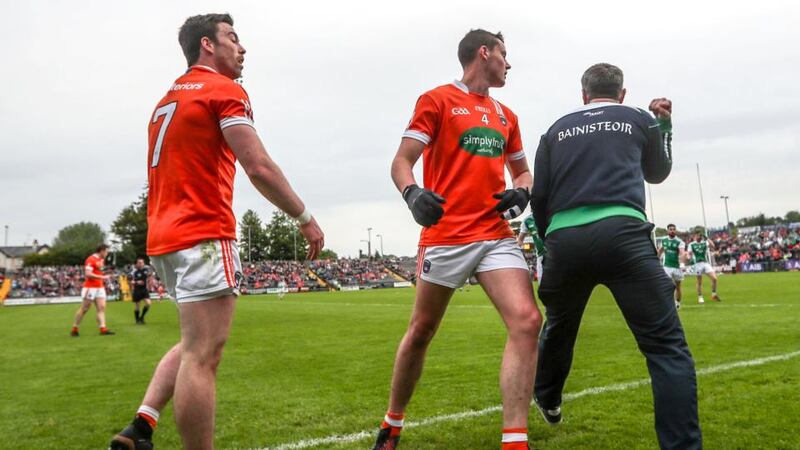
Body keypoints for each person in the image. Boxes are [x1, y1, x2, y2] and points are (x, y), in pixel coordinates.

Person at [109, 13, 324, 450]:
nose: (242, 48)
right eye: (232, 38)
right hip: (203, 231)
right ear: (208, 45)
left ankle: (142, 425)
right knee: (203, 357)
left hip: (165, 237)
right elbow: (258, 165)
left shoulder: (169, 97)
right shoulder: (224, 90)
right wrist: (304, 217)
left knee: (192, 345)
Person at [373, 29, 542, 450]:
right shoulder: (436, 100)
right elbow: (401, 161)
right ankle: (393, 423)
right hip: (446, 237)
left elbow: (523, 172)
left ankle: (515, 439)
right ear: (483, 53)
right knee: (421, 331)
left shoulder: (507, 115)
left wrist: (522, 191)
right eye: (504, 53)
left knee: (527, 320)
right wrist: (412, 193)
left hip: (495, 236)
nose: (508, 62)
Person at [531, 63, 701, 449]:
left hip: (565, 238)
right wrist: (665, 128)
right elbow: (657, 174)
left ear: (583, 95)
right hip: (624, 235)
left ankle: (547, 396)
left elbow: (539, 196)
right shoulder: (638, 117)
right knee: (665, 348)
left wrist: (550, 241)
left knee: (559, 325)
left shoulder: (556, 128)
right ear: (622, 93)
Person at [70, 244, 114, 336]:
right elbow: (88, 274)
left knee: (101, 307)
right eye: (106, 251)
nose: (107, 253)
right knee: (85, 308)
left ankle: (103, 328)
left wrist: (105, 274)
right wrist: (102, 276)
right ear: (101, 251)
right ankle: (75, 328)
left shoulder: (101, 260)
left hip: (100, 287)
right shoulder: (91, 259)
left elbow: (98, 271)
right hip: (90, 287)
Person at [657, 224, 687, 309]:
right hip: (667, 266)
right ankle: (668, 304)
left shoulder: (679, 241)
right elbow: (660, 251)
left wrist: (682, 264)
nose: (672, 231)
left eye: (674, 229)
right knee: (668, 285)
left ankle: (677, 303)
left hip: (677, 267)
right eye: (670, 229)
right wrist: (656, 260)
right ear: (667, 231)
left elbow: (682, 253)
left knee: (678, 286)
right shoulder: (664, 240)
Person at [688, 232, 721, 303]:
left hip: (705, 263)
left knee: (714, 278)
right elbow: (689, 254)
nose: (699, 237)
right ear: (695, 236)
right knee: (699, 281)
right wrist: (689, 258)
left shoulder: (704, 242)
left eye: (700, 235)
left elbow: (713, 245)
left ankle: (714, 295)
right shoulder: (691, 244)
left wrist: (707, 238)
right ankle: (700, 297)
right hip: (697, 264)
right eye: (697, 235)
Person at [517, 214, 546, 284]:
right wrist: (517, 253)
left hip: (555, 252)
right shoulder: (528, 220)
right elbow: (520, 239)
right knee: (541, 284)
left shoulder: (551, 212)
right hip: (540, 255)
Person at [130, 257, 153, 324]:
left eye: (142, 262)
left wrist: (150, 280)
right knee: (137, 306)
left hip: (144, 289)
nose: (141, 264)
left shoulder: (145, 270)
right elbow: (130, 280)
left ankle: (142, 317)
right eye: (139, 263)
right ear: (136, 264)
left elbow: (149, 275)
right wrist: (136, 282)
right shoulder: (133, 272)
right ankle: (137, 320)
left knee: (148, 303)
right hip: (137, 289)